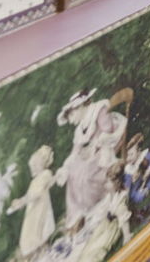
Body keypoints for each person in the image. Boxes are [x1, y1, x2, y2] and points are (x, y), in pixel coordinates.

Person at [57, 88, 132, 232]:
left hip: (111, 142)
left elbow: (108, 129)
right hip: (98, 148)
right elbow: (75, 150)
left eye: (71, 115)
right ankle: (78, 216)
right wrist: (65, 167)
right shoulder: (80, 128)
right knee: (73, 170)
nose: (71, 121)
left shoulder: (98, 109)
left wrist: (94, 146)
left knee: (85, 174)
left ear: (80, 107)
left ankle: (102, 203)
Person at [8, 145, 57, 260]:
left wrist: (22, 201)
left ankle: (46, 252)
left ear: (43, 164)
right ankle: (40, 254)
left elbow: (36, 194)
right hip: (33, 210)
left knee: (38, 232)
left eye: (35, 165)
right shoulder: (35, 180)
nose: (33, 168)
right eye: (32, 166)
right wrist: (20, 202)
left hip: (40, 209)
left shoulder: (45, 174)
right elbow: (29, 195)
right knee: (32, 234)